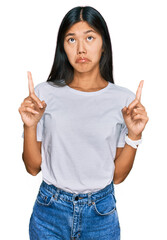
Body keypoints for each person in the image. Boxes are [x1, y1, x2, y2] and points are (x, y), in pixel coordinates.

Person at [18, 6, 149, 240]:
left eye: (90, 37)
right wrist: (30, 125)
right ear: (62, 46)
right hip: (50, 212)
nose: (81, 48)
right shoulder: (44, 94)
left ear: (103, 44)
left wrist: (134, 135)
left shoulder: (124, 101)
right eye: (71, 39)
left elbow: (117, 176)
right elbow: (32, 167)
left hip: (100, 213)